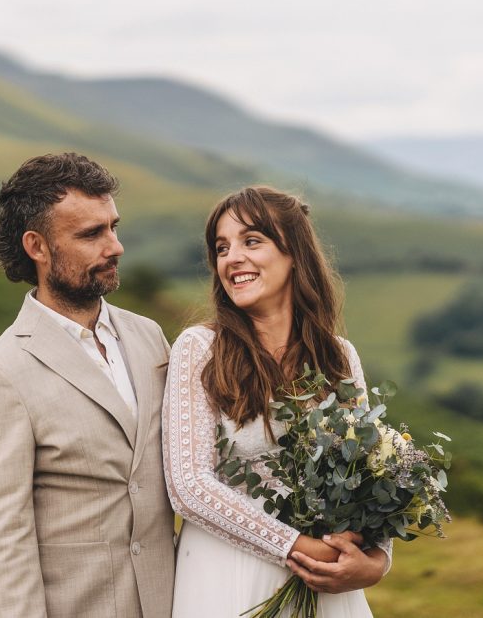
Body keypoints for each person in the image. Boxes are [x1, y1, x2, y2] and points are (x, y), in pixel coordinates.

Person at [0, 152, 175, 618]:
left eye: (113, 227)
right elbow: (2, 539)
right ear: (37, 247)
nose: (115, 247)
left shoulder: (151, 338)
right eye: (91, 234)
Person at [162, 186, 391, 617]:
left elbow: (371, 475)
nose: (232, 258)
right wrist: (293, 545)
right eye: (222, 248)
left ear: (294, 254)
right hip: (228, 575)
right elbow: (188, 486)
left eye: (251, 241)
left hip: (327, 582)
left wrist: (376, 562)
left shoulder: (338, 356)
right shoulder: (200, 348)